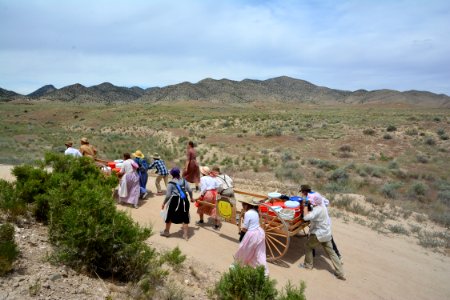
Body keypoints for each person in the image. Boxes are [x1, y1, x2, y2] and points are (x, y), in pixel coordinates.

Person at [299, 187, 346, 280]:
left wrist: (305, 206)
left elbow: (306, 218)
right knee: (331, 252)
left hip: (319, 234)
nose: (310, 202)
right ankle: (340, 272)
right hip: (327, 233)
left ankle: (308, 265)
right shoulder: (322, 206)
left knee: (308, 246)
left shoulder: (317, 210)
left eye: (311, 201)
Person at [234, 196, 268, 276]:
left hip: (252, 234)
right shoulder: (256, 211)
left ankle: (239, 267)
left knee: (244, 250)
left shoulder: (247, 213)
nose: (242, 206)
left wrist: (241, 237)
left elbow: (245, 228)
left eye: (243, 204)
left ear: (247, 205)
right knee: (259, 253)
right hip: (260, 233)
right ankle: (263, 271)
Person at [160, 167, 194, 240]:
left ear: (172, 174)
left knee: (170, 215)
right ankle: (185, 235)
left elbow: (168, 195)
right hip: (184, 200)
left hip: (175, 200)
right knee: (185, 216)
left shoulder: (171, 183)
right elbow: (190, 190)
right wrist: (191, 198)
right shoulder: (184, 181)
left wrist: (164, 203)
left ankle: (166, 232)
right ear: (179, 173)